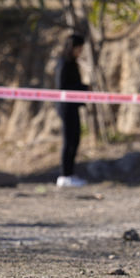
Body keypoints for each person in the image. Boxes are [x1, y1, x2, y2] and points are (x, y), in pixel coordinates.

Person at [54, 33, 89, 187]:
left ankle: (70, 173)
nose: (80, 52)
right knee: (68, 140)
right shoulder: (64, 63)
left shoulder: (72, 63)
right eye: (79, 49)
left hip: (73, 106)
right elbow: (62, 87)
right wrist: (83, 88)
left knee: (75, 139)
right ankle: (64, 174)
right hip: (66, 106)